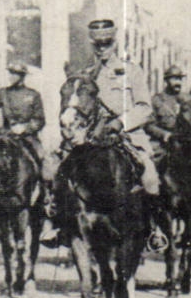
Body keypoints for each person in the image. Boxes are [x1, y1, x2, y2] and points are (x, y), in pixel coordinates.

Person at [45, 18, 161, 196]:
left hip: (127, 137)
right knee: (56, 175)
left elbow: (144, 109)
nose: (101, 49)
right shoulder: (85, 75)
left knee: (150, 180)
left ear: (114, 43)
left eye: (106, 44)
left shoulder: (131, 71)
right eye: (97, 44)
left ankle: (151, 214)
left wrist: (120, 122)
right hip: (89, 138)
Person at [0, 59, 46, 204]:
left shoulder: (33, 95)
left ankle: (45, 196)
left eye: (15, 74)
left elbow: (40, 119)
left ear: (22, 76)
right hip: (6, 137)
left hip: (28, 138)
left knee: (42, 159)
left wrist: (25, 128)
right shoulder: (2, 93)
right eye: (11, 73)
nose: (12, 76)